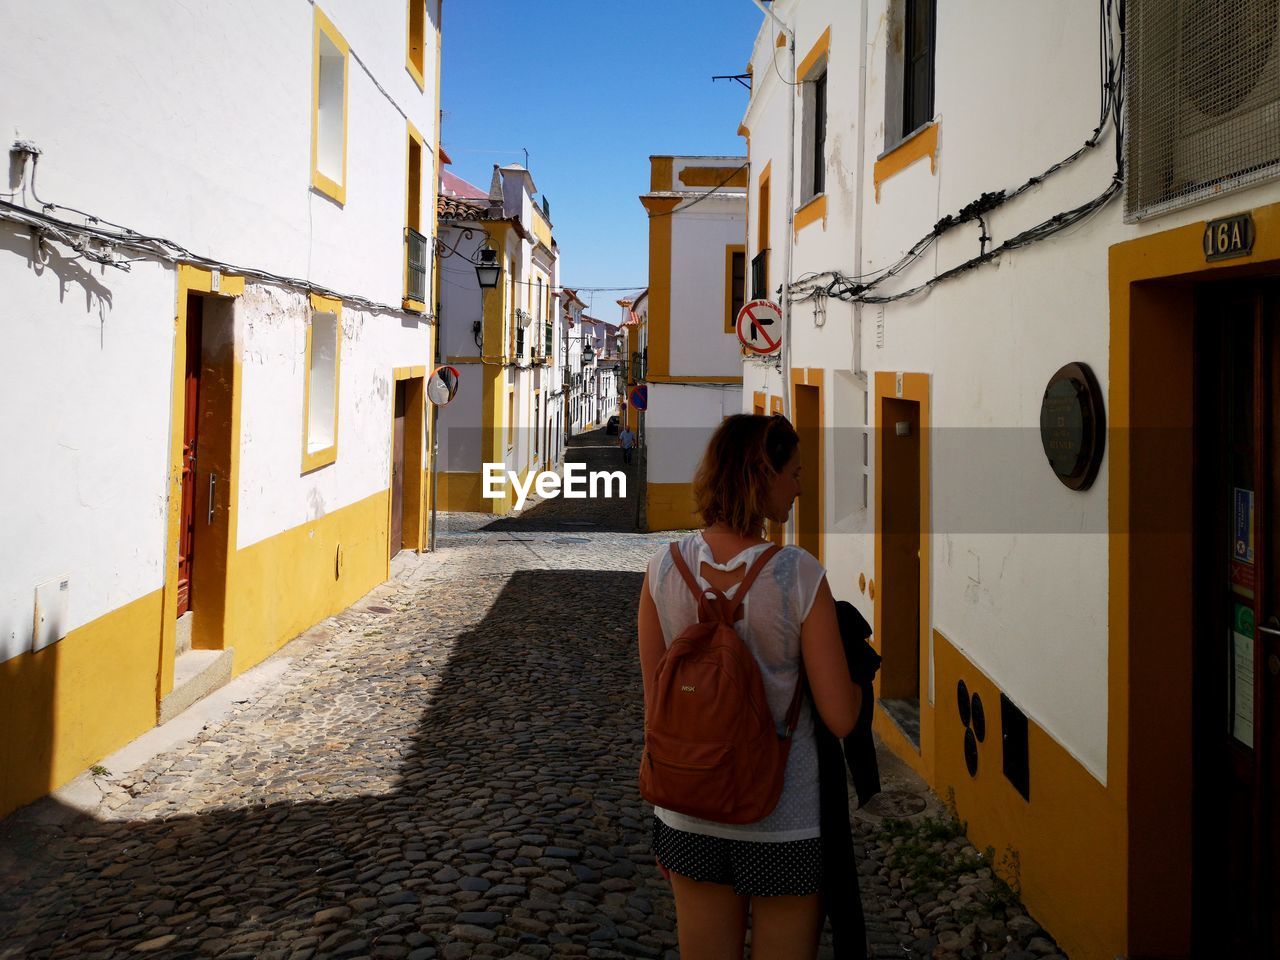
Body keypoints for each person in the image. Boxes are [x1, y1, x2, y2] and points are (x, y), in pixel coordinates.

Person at [637, 414, 861, 960]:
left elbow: (656, 708)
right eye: (794, 473)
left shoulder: (662, 570)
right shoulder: (797, 575)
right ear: (763, 477)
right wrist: (859, 676)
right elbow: (841, 718)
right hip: (781, 820)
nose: (800, 487)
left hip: (689, 810)